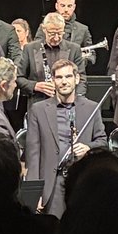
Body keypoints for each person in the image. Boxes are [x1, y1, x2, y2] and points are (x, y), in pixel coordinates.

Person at [25, 59, 107, 218]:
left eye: (68, 76)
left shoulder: (91, 107)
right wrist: (35, 192)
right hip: (53, 183)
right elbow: (33, 154)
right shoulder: (38, 110)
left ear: (76, 79)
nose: (64, 82)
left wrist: (88, 148)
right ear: (53, 81)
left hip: (82, 183)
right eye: (59, 77)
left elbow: (102, 142)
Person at [17, 12, 86, 107]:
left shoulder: (74, 49)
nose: (56, 38)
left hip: (66, 105)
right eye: (52, 33)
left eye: (60, 33)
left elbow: (81, 79)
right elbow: (18, 77)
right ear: (44, 29)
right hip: (38, 105)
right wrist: (35, 86)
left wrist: (76, 100)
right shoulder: (29, 48)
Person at [36, 0, 97, 66]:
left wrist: (81, 59)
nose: (66, 10)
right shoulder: (45, 26)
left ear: (74, 7)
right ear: (56, 6)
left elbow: (92, 56)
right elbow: (36, 48)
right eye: (62, 5)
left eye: (69, 6)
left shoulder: (83, 29)